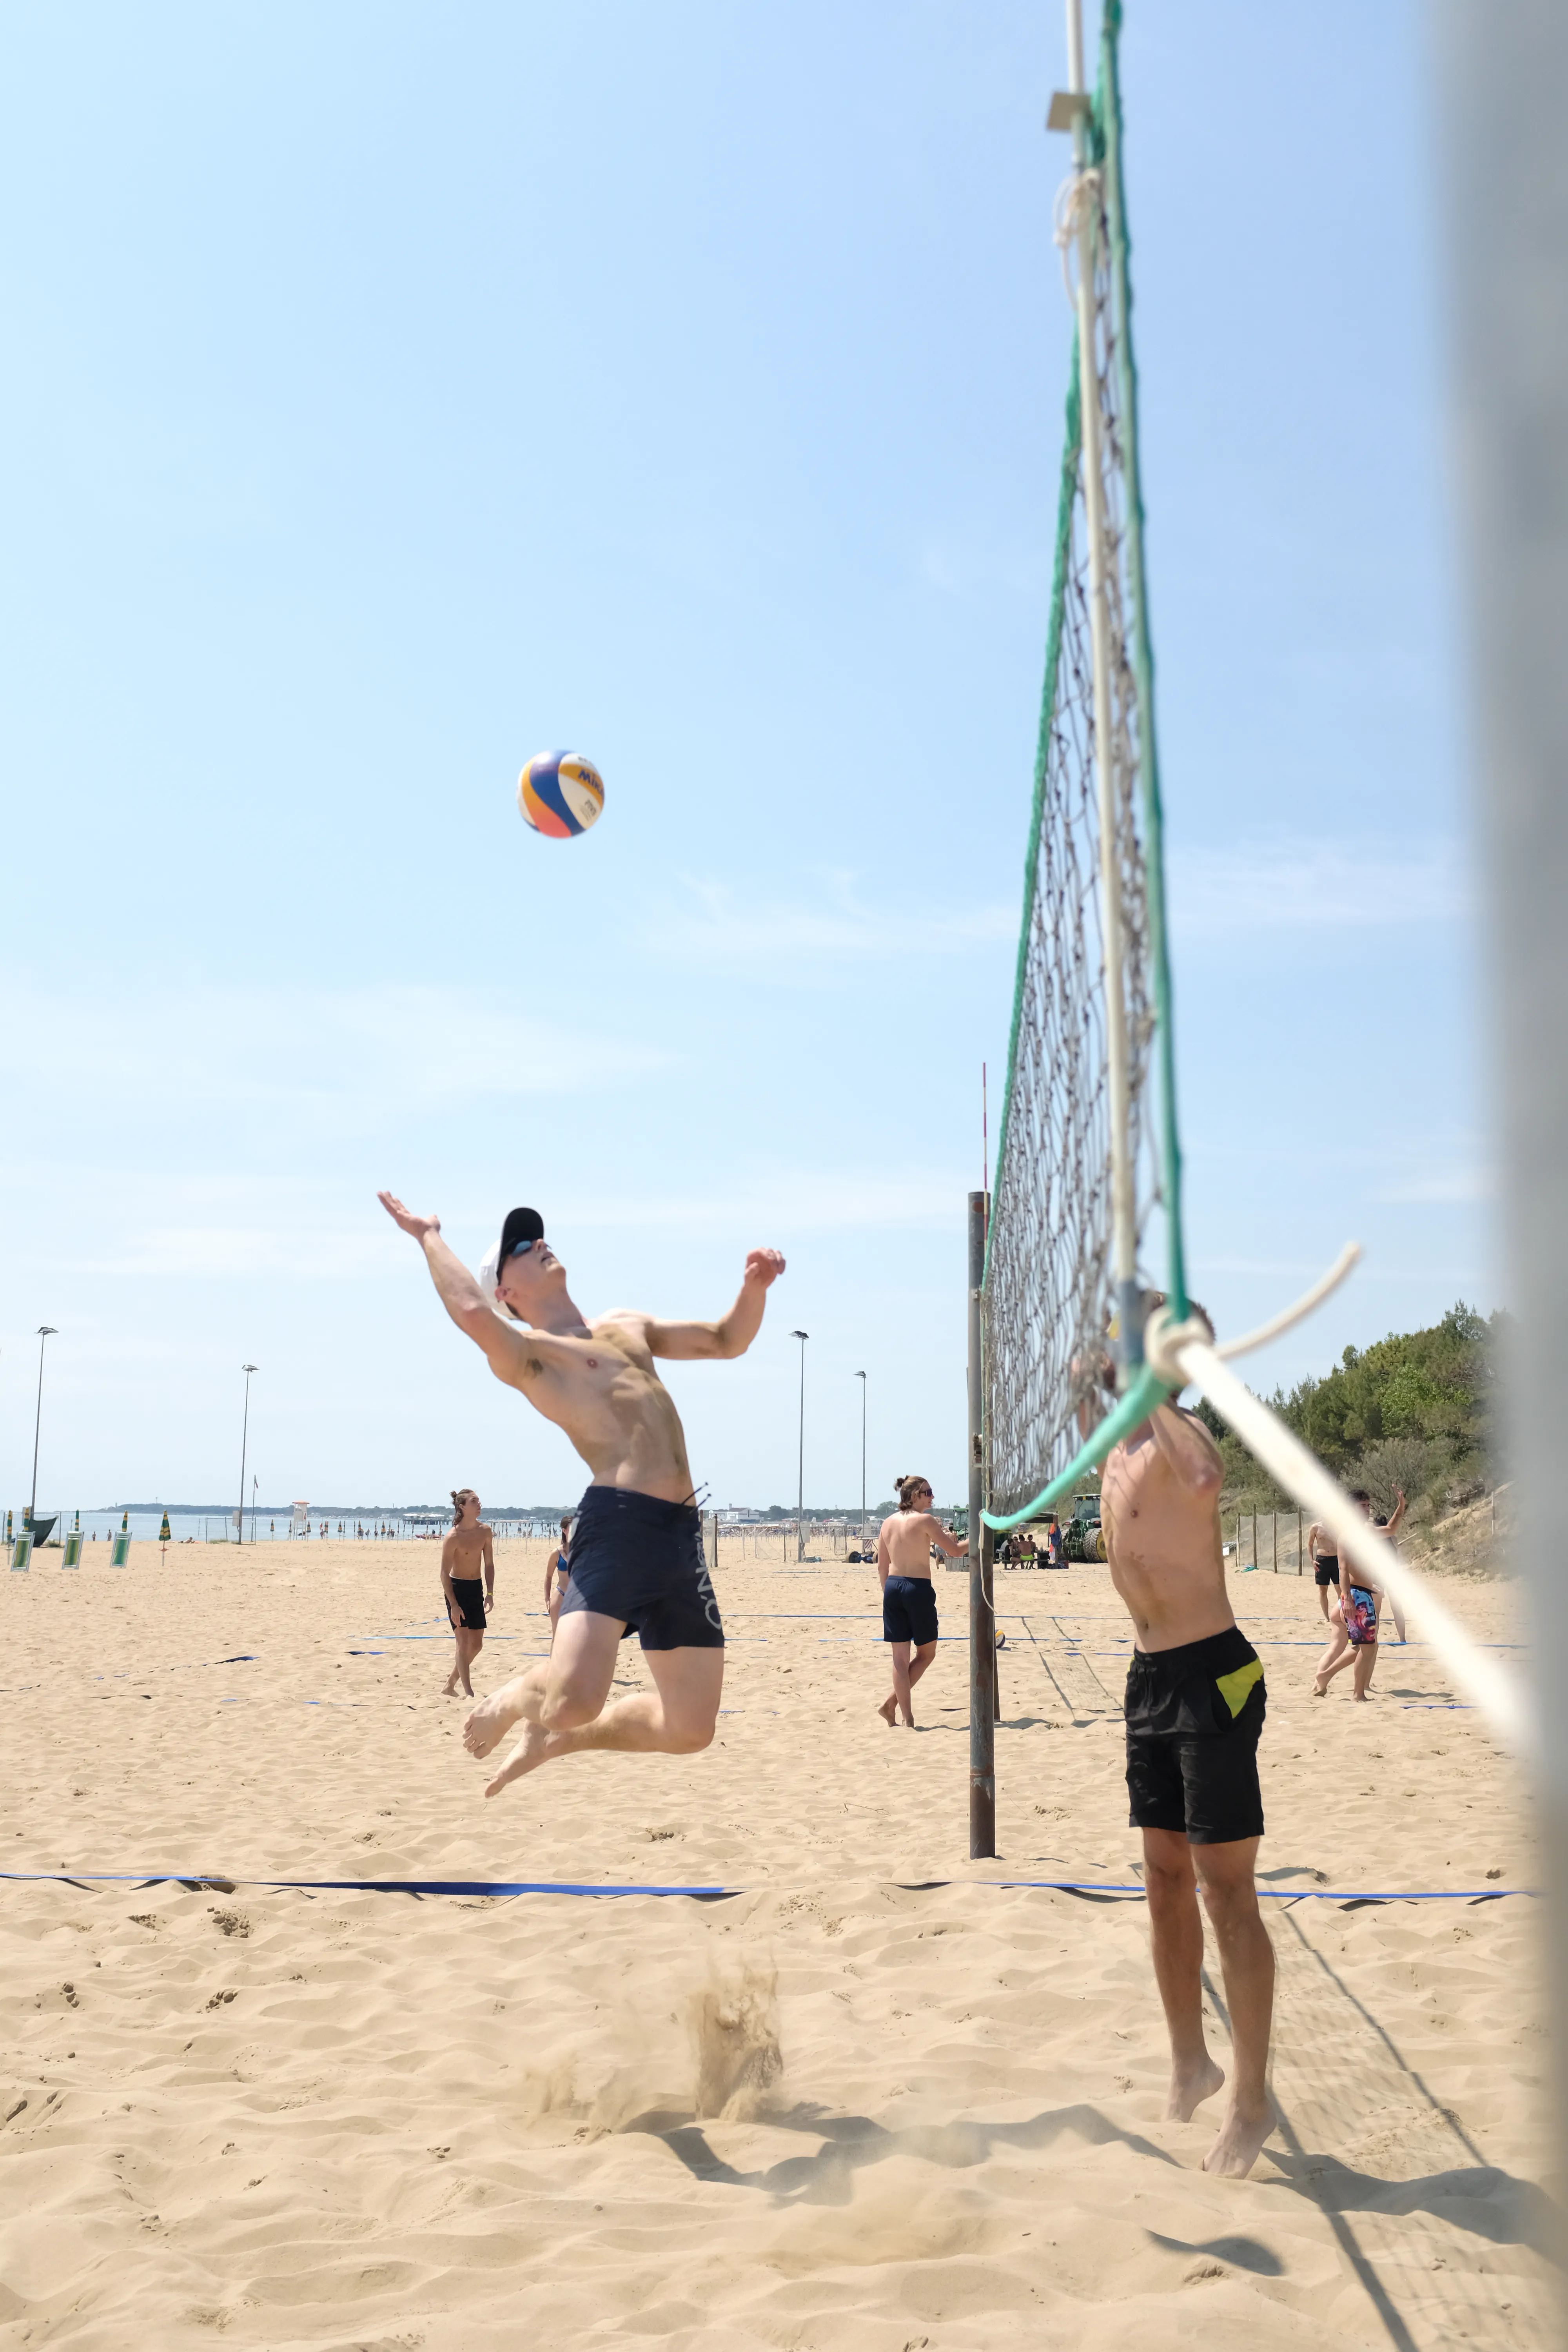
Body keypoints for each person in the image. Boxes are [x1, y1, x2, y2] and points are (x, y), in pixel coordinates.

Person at [377, 1192, 784, 1794]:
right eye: (520, 1247)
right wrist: (428, 1234)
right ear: (507, 1294)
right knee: (572, 1698)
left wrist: (755, 1288)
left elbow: (727, 1340)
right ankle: (520, 1696)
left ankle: (562, 1743)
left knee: (691, 1727)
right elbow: (468, 1310)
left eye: (537, 1237)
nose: (537, 1244)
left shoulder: (627, 1324)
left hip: (679, 1537)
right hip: (618, 1524)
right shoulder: (534, 1357)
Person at [1091, 1297, 1276, 2178]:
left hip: (1213, 1673)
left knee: (1223, 1892)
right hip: (1147, 1679)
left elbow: (1202, 1481)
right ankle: (1188, 2063)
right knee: (1162, 1880)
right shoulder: (1119, 1445)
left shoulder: (1180, 1431)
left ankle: (1249, 2099)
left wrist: (1157, 1379)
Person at [874, 1475, 967, 1727]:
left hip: (893, 1588)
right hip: (917, 1588)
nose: (932, 1497)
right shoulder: (925, 1520)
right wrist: (981, 1537)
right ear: (915, 1495)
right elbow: (956, 1552)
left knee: (900, 1659)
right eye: (928, 1492)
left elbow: (882, 1566)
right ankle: (893, 1707)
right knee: (926, 1654)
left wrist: (889, 1595)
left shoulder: (887, 1523)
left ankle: (905, 1716)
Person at [1312, 1487, 1407, 1701]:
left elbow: (1391, 1529)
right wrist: (1346, 1599)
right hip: (1357, 1597)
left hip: (1364, 1593)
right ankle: (1353, 1691)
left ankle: (1329, 1677)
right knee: (1365, 1647)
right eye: (1363, 1506)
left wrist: (1401, 1507)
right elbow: (1343, 1570)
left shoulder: (1367, 1531)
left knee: (1368, 1646)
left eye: (1368, 1505)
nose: (1367, 1509)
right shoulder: (1347, 1536)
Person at [440, 1488, 495, 1698]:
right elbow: (444, 1573)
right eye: (475, 1501)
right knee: (462, 1644)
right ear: (462, 1507)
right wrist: (453, 1604)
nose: (479, 1504)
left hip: (476, 1588)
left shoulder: (485, 1531)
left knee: (477, 1644)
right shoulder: (453, 1537)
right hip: (457, 1589)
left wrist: (490, 1593)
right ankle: (469, 1692)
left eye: (479, 1501)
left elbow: (489, 1564)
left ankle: (450, 1685)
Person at [543, 1514, 573, 1639]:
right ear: (564, 1530)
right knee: (558, 1636)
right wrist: (547, 1600)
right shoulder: (557, 1553)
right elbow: (548, 1577)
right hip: (560, 1596)